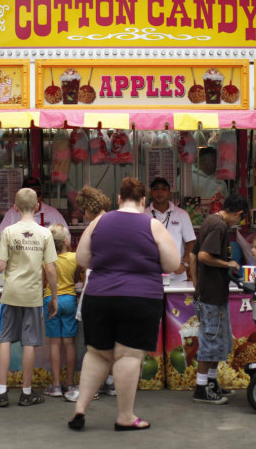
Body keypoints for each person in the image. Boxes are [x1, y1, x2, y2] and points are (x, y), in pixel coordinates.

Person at [67, 177, 179, 431]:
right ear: (143, 201)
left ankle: (80, 409)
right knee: (128, 355)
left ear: (118, 199)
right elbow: (172, 263)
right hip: (139, 298)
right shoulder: (153, 225)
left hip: (98, 296)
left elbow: (83, 258)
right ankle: (125, 416)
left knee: (97, 353)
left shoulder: (99, 221)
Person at [0, 188, 58, 408]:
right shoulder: (45, 234)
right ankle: (26, 392)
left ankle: (1, 391)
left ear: (14, 207)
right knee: (29, 343)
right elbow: (51, 270)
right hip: (33, 295)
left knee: (5, 340)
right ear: (37, 207)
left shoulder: (8, 232)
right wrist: (53, 297)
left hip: (11, 293)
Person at [192, 193, 248, 405]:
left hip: (212, 292)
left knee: (219, 340)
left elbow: (192, 255)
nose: (238, 224)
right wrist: (228, 265)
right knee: (210, 339)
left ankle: (211, 383)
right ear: (239, 213)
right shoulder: (219, 226)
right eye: (240, 219)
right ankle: (201, 388)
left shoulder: (209, 220)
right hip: (212, 295)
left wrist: (197, 285)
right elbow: (203, 256)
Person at [73, 185, 116, 398]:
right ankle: (110, 380)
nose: (82, 214)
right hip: (114, 289)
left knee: (93, 343)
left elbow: (82, 259)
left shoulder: (94, 226)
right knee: (111, 339)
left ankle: (92, 386)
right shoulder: (116, 222)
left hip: (97, 288)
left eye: (83, 209)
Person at [43, 223, 82, 402]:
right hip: (70, 300)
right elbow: (77, 278)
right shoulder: (75, 258)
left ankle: (56, 384)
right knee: (69, 343)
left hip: (51, 300)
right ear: (66, 241)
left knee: (54, 344)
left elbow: (43, 281)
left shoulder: (46, 260)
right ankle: (70, 382)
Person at [145, 177, 196, 284]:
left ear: (169, 193)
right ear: (150, 193)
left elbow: (190, 240)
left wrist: (184, 263)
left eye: (163, 189)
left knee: (177, 300)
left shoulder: (182, 214)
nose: (159, 192)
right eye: (155, 189)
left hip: (177, 274)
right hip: (150, 273)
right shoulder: (143, 215)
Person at [0, 176, 68, 236]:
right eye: (30, 195)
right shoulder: (12, 214)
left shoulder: (53, 214)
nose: (35, 198)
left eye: (37, 194)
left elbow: (66, 236)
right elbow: (2, 236)